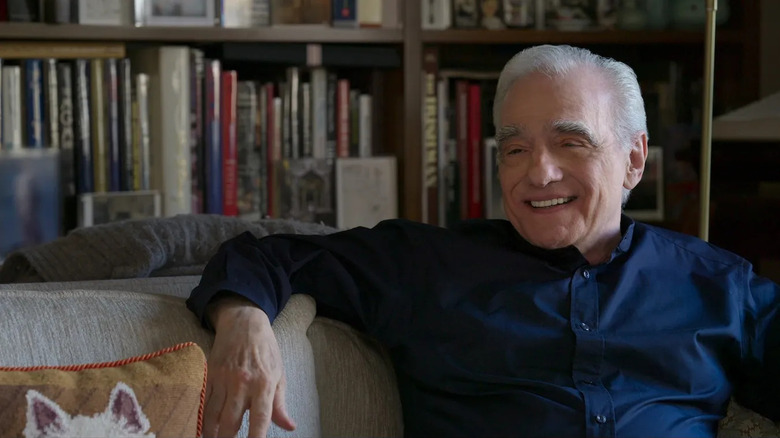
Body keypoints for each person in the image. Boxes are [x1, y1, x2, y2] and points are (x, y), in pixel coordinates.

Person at [187, 45, 780, 437]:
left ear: (633, 158)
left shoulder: (718, 285)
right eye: (515, 149)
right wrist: (242, 319)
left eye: (570, 143)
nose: (538, 173)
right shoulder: (427, 266)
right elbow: (265, 254)